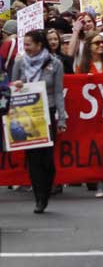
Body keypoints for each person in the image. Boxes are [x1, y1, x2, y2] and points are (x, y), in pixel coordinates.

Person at [11, 30, 66, 213]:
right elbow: (11, 87)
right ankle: (39, 198)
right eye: (24, 44)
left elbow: (58, 91)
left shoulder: (55, 63)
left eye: (28, 44)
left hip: (47, 113)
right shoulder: (19, 62)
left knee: (47, 159)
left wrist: (62, 118)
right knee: (33, 159)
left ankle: (47, 187)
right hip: (27, 113)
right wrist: (16, 85)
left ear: (39, 45)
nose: (25, 48)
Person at [76, 32, 103, 197]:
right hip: (93, 117)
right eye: (97, 43)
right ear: (89, 47)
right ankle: (98, 180)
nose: (101, 45)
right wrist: (84, 80)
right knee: (97, 149)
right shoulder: (83, 67)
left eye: (102, 42)